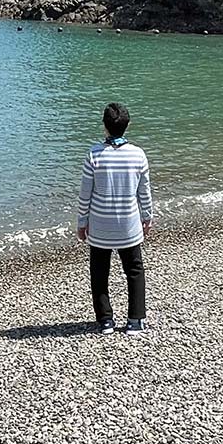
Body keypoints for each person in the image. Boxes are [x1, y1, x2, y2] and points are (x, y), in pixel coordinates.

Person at [77, 102, 153, 334]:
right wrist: (147, 217)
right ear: (127, 126)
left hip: (100, 225)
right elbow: (144, 192)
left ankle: (105, 320)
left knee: (99, 272)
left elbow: (85, 194)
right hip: (129, 224)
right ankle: (135, 320)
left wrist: (82, 222)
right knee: (134, 270)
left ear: (105, 126)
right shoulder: (138, 154)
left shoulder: (94, 154)